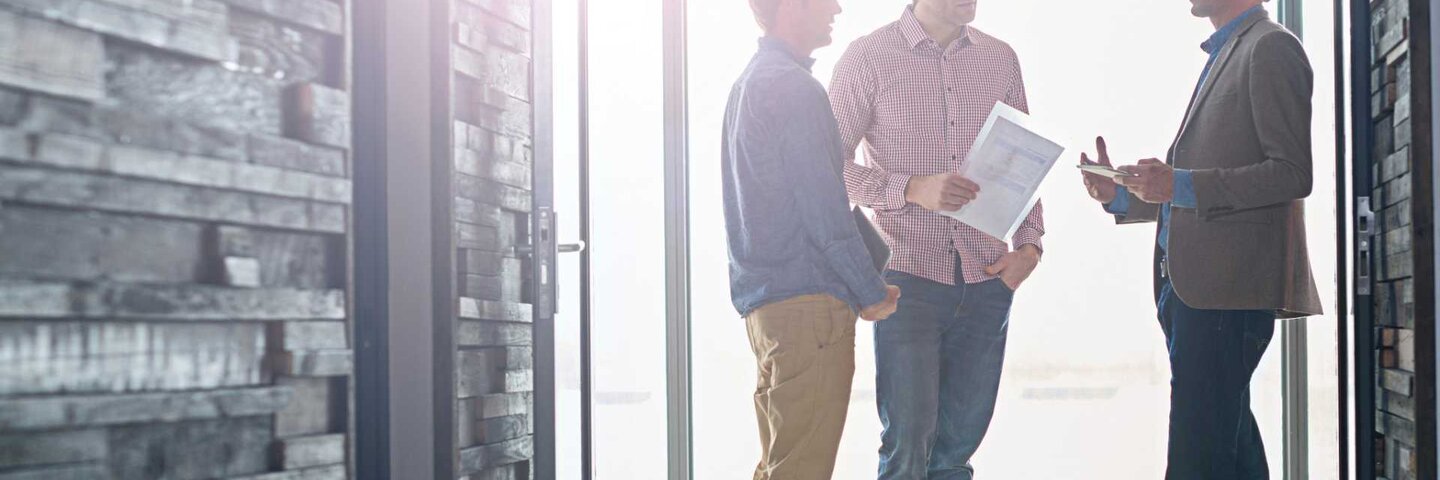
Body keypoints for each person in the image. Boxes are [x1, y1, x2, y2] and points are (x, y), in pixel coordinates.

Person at [1078, 0, 1322, 477]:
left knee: (1199, 455)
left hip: (1224, 295)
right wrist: (1124, 196)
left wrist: (1179, 183)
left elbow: (1292, 173)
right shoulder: (1230, 49)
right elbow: (1194, 186)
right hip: (1191, 291)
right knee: (1228, 448)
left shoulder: (1270, 47)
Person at [828, 0, 1044, 477]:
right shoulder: (869, 57)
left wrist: (1030, 246)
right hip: (908, 280)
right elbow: (826, 168)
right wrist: (910, 188)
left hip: (988, 278)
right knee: (907, 449)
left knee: (955, 456)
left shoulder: (1000, 58)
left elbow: (1019, 161)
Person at [722, 0, 903, 478]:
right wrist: (870, 292)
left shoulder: (749, 84)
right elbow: (824, 209)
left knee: (780, 466)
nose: (838, 8)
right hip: (809, 308)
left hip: (767, 307)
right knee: (800, 470)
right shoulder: (795, 90)